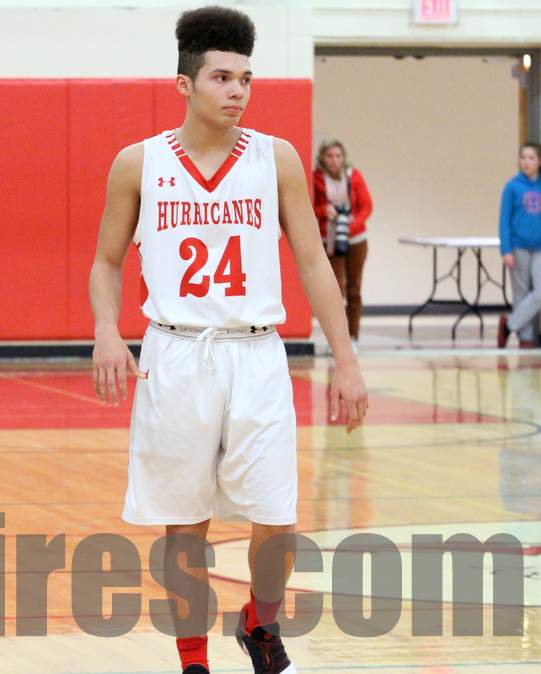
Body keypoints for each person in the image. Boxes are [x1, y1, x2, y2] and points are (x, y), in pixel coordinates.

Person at [88, 7, 368, 674]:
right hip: (176, 352)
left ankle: (259, 622)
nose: (237, 91)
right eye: (222, 78)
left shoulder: (278, 159)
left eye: (246, 79)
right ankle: (193, 660)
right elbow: (106, 262)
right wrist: (106, 330)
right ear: (185, 84)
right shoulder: (138, 163)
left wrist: (346, 360)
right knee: (185, 525)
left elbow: (312, 263)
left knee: (277, 515)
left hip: (256, 351)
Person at [497, 142, 541, 349]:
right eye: (523, 157)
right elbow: (504, 220)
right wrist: (506, 249)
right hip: (518, 246)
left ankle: (509, 324)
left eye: (531, 158)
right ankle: (526, 338)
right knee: (520, 292)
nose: (526, 162)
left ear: (540, 161)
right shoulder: (512, 186)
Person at [312, 139, 372, 346]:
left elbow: (367, 207)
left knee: (354, 289)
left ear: (343, 157)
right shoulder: (316, 179)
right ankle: (337, 339)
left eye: (338, 156)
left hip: (355, 238)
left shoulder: (354, 176)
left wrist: (350, 227)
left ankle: (353, 336)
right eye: (329, 156)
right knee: (335, 289)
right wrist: (324, 210)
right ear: (322, 158)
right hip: (329, 239)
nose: (334, 160)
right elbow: (310, 206)